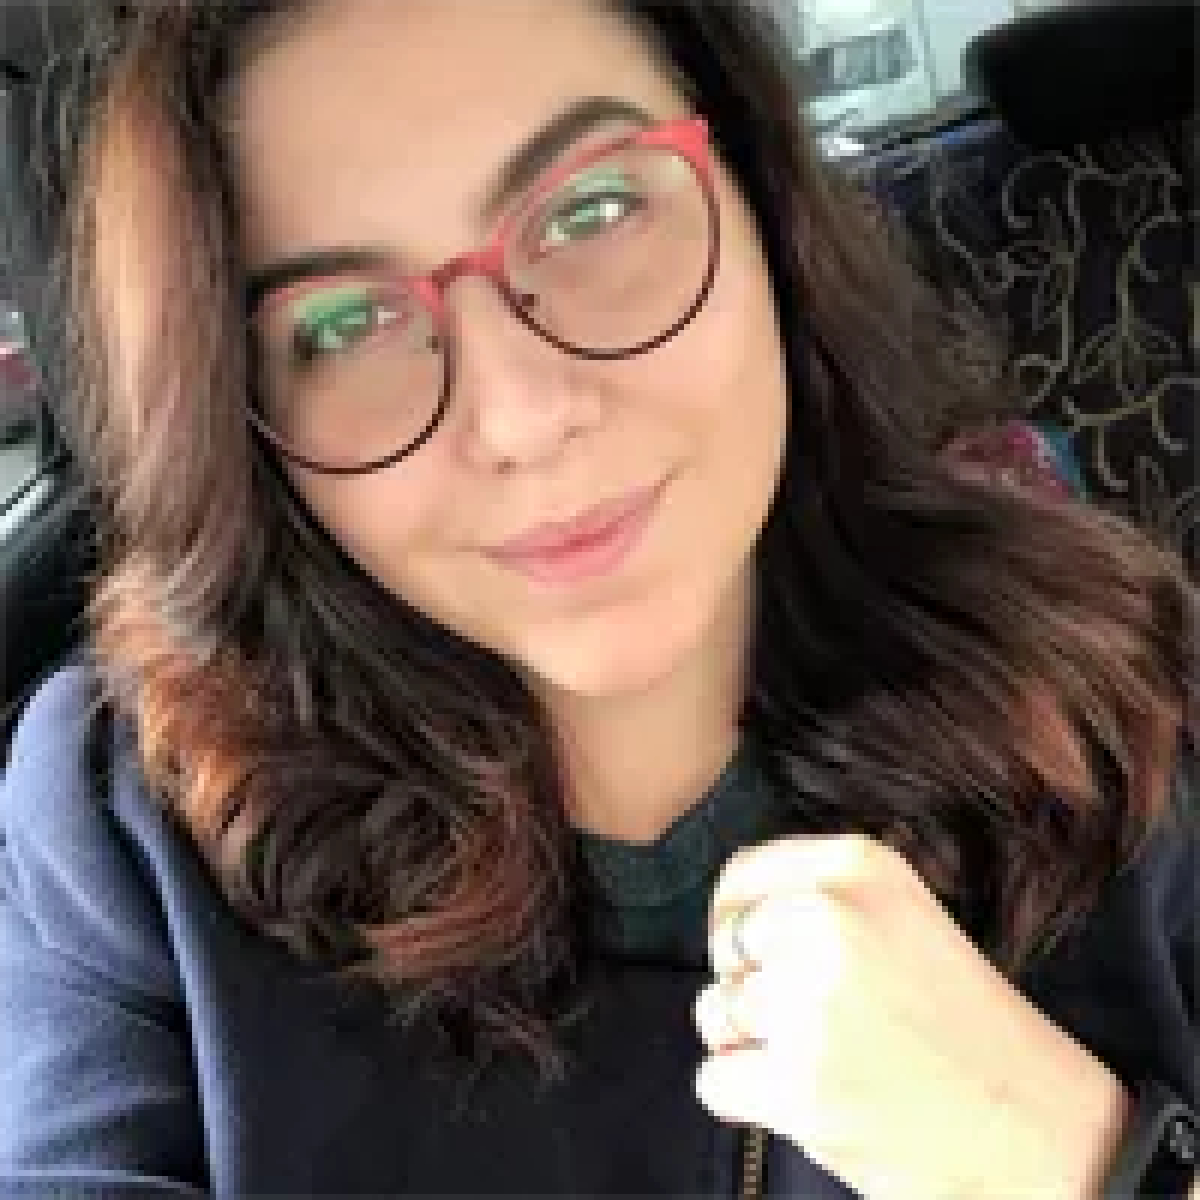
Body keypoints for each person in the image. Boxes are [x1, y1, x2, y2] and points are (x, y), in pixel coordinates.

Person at [0, 1, 1195, 1196]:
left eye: (592, 212)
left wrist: (1084, 1162)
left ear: (763, 198)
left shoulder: (1122, 704)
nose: (523, 417)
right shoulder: (127, 834)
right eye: (346, 323)